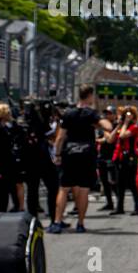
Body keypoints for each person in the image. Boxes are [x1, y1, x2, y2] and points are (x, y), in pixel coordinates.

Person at [50, 84, 104, 234]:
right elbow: (105, 125)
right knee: (84, 190)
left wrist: (58, 155)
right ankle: (80, 223)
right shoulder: (92, 114)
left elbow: (60, 137)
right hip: (87, 154)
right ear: (90, 96)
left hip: (69, 153)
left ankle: (57, 222)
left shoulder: (68, 113)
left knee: (64, 188)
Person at [112, 107, 138, 216]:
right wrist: (119, 125)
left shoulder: (134, 127)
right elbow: (111, 138)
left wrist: (125, 123)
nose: (126, 117)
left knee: (131, 183)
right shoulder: (122, 126)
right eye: (124, 115)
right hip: (119, 157)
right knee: (119, 184)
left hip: (129, 157)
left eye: (128, 115)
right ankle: (119, 207)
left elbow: (122, 136)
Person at [95, 105, 118, 211]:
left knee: (113, 181)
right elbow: (98, 139)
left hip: (113, 155)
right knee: (104, 181)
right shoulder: (102, 126)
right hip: (102, 155)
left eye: (110, 113)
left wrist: (105, 138)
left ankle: (119, 201)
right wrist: (104, 139)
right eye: (106, 113)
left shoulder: (117, 125)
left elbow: (110, 140)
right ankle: (109, 203)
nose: (107, 115)